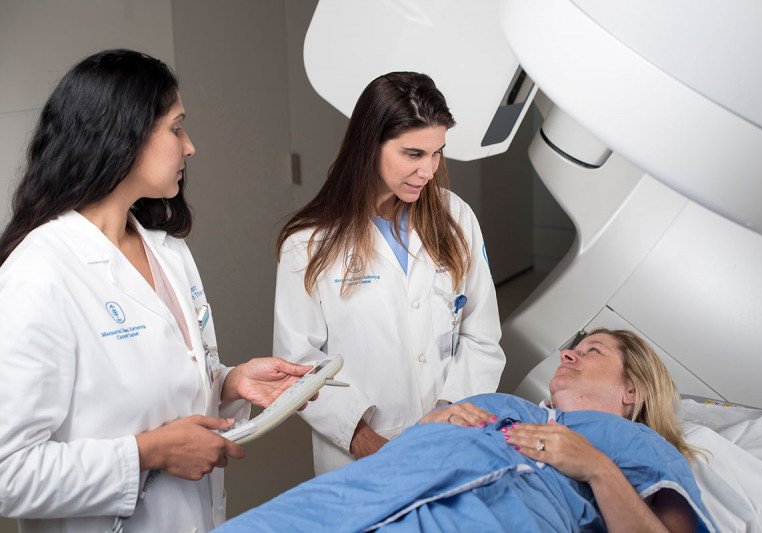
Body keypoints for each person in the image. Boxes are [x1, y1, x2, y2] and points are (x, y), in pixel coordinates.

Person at [0, 49, 312, 533]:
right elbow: (8, 473)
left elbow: (173, 382)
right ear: (121, 135)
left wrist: (229, 383)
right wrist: (150, 454)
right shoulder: (39, 273)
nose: (190, 147)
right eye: (176, 128)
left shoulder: (166, 252)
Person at [214, 328, 716, 532]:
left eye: (593, 352)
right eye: (574, 346)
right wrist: (429, 429)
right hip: (364, 492)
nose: (569, 353)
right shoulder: (510, 405)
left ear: (634, 390)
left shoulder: (640, 445)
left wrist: (596, 468)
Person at [273, 72, 506, 474]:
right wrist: (368, 444)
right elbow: (299, 366)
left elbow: (481, 337)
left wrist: (446, 417)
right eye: (413, 154)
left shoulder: (455, 218)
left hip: (448, 440)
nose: (429, 170)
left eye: (437, 153)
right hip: (357, 457)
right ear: (370, 146)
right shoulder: (309, 242)